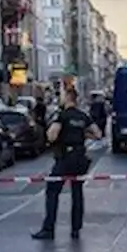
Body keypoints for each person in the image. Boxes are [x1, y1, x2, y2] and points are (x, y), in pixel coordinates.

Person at [32, 88, 102, 240]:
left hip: (65, 158)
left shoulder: (62, 116)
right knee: (77, 193)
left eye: (63, 96)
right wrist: (82, 134)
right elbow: (98, 134)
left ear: (68, 98)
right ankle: (75, 229)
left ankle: (48, 229)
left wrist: (56, 135)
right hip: (80, 157)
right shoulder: (83, 116)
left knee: (52, 191)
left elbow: (51, 136)